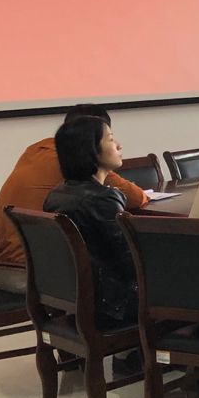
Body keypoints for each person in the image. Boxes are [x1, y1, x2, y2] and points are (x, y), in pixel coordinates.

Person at [0, 104, 150, 294]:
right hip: (35, 274)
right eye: (110, 138)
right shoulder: (78, 166)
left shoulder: (37, 152)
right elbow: (137, 198)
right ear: (89, 142)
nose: (118, 145)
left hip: (6, 267)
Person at [42, 116, 138, 325]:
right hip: (114, 305)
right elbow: (130, 260)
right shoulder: (102, 199)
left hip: (80, 298)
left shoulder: (57, 194)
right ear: (91, 150)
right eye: (110, 139)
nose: (119, 145)